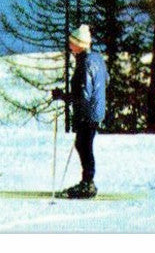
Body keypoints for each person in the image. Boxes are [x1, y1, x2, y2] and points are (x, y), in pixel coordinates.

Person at [51, 24, 106, 199]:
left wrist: (62, 96)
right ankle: (87, 182)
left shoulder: (84, 63)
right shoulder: (97, 59)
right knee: (83, 144)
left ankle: (88, 184)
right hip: (95, 110)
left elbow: (82, 94)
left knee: (84, 145)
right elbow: (106, 80)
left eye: (71, 42)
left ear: (79, 44)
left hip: (87, 112)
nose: (69, 46)